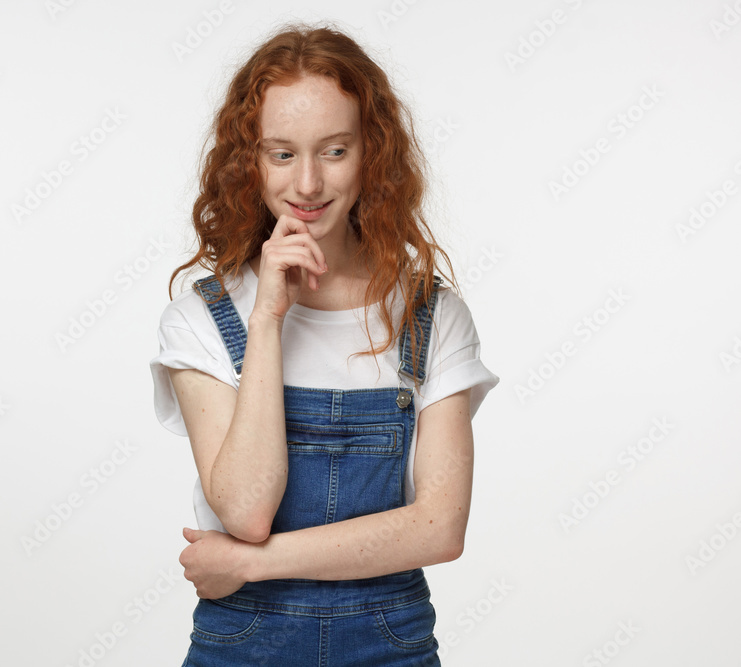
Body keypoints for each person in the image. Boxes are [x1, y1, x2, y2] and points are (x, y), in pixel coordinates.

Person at [149, 22, 499, 665]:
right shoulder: (203, 319)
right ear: (248, 162)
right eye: (281, 154)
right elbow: (246, 510)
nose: (307, 184)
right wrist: (266, 319)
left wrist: (249, 566)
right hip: (243, 648)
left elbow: (439, 529)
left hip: (388, 646)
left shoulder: (433, 316)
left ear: (373, 155)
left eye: (334, 151)